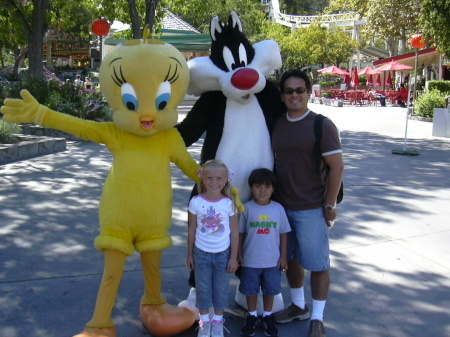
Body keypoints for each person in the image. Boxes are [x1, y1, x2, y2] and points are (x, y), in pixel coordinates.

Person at [271, 69, 344, 337]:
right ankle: (298, 305)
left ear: (308, 93)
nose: (294, 95)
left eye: (300, 90)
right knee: (290, 261)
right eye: (289, 91)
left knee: (318, 264)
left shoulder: (321, 125)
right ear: (282, 95)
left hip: (313, 207)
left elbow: (336, 168)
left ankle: (317, 317)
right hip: (282, 206)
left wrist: (329, 205)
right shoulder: (277, 123)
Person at [187, 160, 239, 337]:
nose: (214, 182)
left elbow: (234, 233)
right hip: (201, 255)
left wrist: (233, 257)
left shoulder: (228, 204)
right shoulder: (195, 202)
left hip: (223, 256)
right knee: (203, 289)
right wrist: (190, 255)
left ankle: (217, 323)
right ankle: (204, 323)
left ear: (225, 180)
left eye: (219, 178)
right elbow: (192, 229)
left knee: (220, 289)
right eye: (210, 178)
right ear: (203, 179)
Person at [238, 168, 290, 337]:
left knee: (270, 290)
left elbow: (283, 234)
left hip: (272, 261)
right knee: (250, 290)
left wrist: (283, 256)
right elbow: (240, 234)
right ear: (251, 188)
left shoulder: (278, 209)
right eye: (258, 186)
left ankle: (268, 316)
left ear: (273, 189)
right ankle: (252, 316)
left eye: (267, 186)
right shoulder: (246, 209)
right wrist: (238, 254)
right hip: (250, 260)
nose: (262, 190)